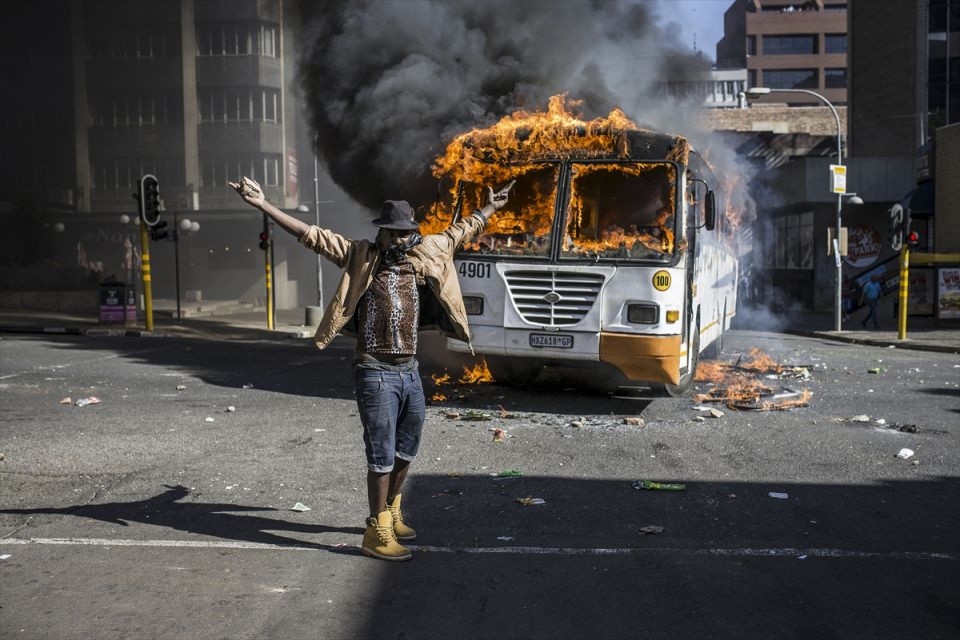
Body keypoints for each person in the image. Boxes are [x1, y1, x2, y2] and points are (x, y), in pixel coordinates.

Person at [229, 175, 511, 561]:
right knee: (381, 454)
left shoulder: (427, 252)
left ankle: (393, 509)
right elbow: (310, 234)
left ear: (413, 232)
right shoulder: (359, 254)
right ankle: (376, 529)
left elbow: (461, 231)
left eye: (403, 233)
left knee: (407, 448)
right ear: (380, 233)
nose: (396, 240)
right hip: (374, 370)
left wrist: (491, 208)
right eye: (390, 233)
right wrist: (263, 204)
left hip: (409, 371)